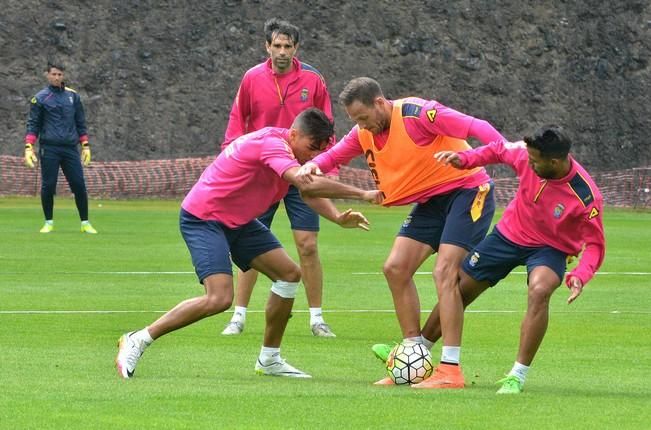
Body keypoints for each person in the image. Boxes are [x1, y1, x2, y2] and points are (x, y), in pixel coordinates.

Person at [115, 108, 382, 379]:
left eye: (320, 152)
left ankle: (270, 360)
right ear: (293, 134)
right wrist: (363, 194)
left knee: (289, 274)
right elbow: (307, 184)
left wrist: (337, 217)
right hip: (204, 218)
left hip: (238, 221)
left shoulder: (289, 151)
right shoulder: (273, 145)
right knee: (219, 298)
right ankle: (139, 338)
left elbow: (304, 190)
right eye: (311, 148)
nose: (314, 157)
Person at [296, 77, 507, 386]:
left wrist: (507, 150)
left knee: (444, 272)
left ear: (380, 103)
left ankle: (450, 369)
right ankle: (413, 357)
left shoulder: (417, 114)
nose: (361, 126)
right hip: (431, 201)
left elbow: (476, 126)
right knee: (395, 268)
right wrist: (313, 165)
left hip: (468, 191)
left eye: (364, 118)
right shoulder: (363, 132)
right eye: (355, 121)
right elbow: (334, 155)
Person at [407, 125, 605, 393]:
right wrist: (465, 159)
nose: (529, 163)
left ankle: (517, 375)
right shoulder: (525, 154)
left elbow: (595, 245)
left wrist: (581, 275)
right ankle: (417, 354)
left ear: (555, 162)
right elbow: (497, 149)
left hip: (551, 248)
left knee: (540, 290)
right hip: (508, 235)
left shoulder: (586, 197)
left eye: (535, 161)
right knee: (458, 290)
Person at [220, 18, 339, 338]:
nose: (282, 51)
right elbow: (237, 119)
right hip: (262, 173)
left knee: (308, 244)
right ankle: (239, 316)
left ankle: (317, 318)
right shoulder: (251, 78)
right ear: (267, 47)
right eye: (277, 46)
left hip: (301, 171)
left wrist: (328, 165)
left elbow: (326, 124)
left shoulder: (313, 79)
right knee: (250, 246)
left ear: (296, 48)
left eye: (288, 46)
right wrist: (230, 155)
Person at [24, 61, 97, 234]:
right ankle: (48, 222)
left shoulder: (73, 96)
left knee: (79, 184)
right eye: (54, 74)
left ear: (63, 75)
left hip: (70, 148)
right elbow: (33, 124)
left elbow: (80, 123)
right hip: (49, 148)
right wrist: (29, 146)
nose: (57, 77)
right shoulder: (40, 98)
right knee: (48, 186)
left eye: (60, 74)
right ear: (47, 75)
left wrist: (85, 145)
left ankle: (85, 222)